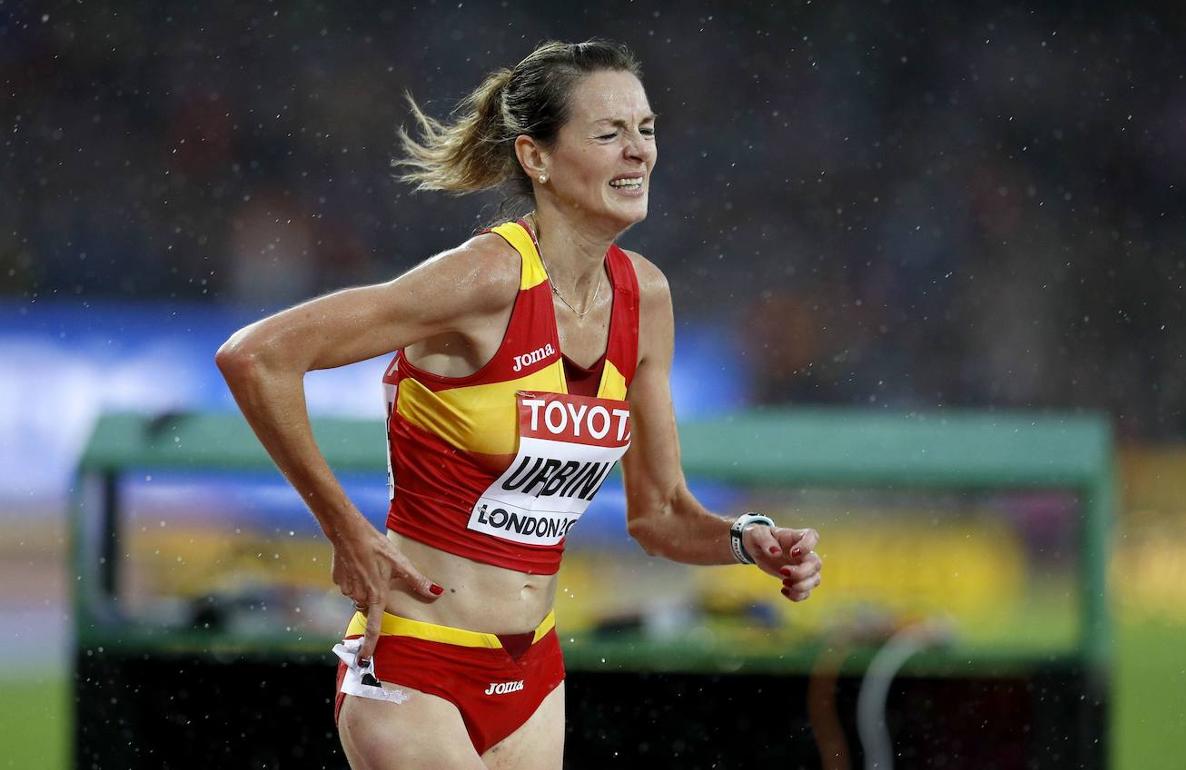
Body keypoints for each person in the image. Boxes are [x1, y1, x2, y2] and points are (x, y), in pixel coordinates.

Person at [216, 39, 823, 770]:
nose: (638, 152)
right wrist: (345, 528)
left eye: (646, 129)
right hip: (416, 665)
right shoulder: (484, 279)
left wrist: (746, 539)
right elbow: (257, 356)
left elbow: (660, 515)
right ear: (536, 158)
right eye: (609, 133)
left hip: (533, 676)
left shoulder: (645, 297)